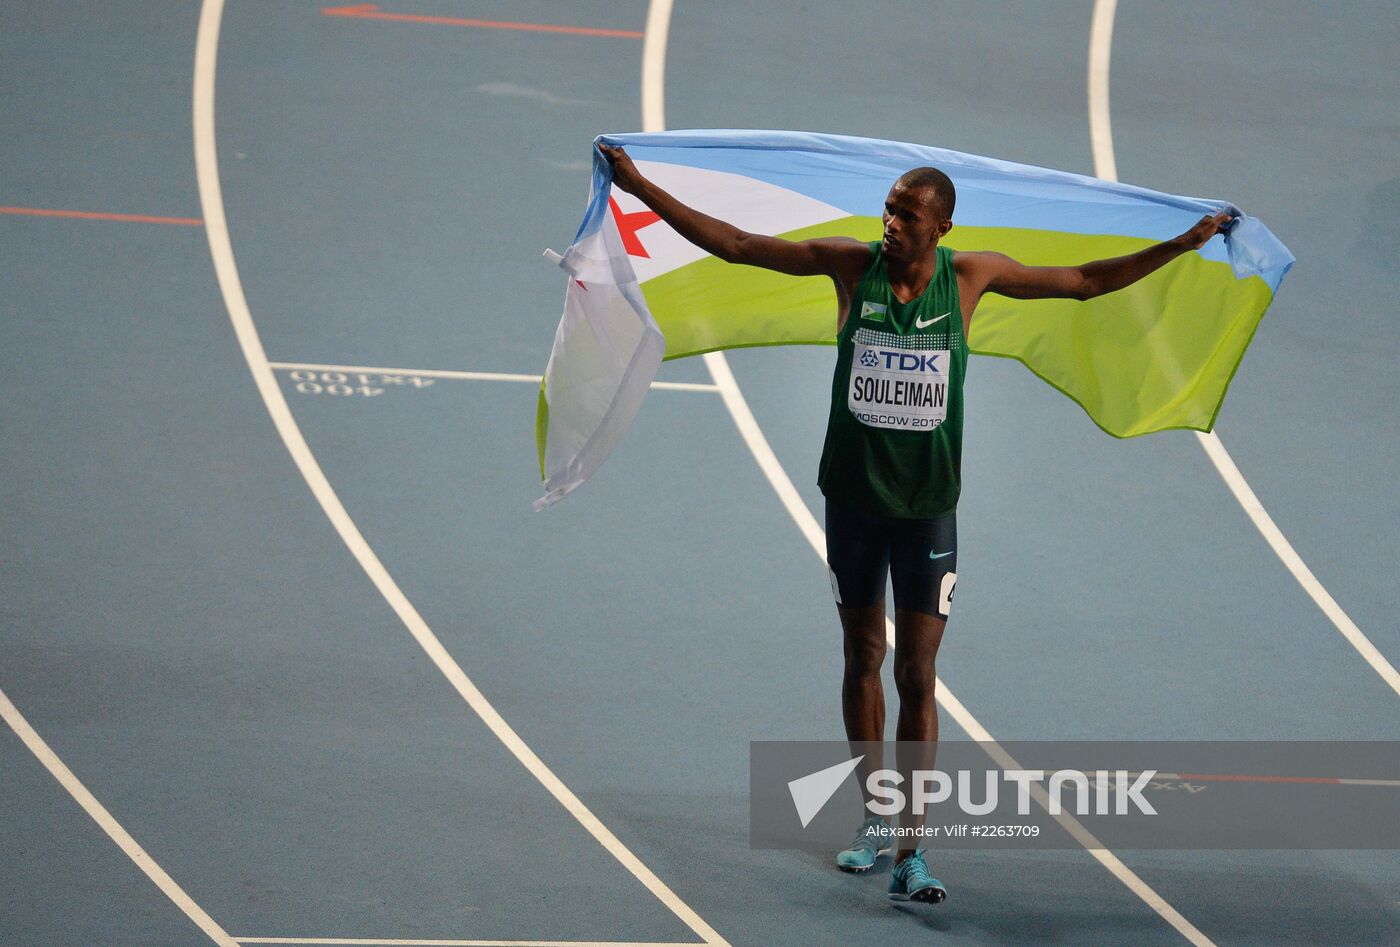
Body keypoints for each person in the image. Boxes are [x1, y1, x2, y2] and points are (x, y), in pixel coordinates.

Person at [600, 142, 1231, 904]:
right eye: (890, 207)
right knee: (862, 653)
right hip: (854, 503)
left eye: (907, 213)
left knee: (917, 672)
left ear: (941, 227)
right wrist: (638, 185)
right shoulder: (848, 266)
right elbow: (736, 246)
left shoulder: (971, 278)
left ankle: (913, 849)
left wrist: (1183, 244)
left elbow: (1087, 282)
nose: (890, 221)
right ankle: (873, 818)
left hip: (928, 509)